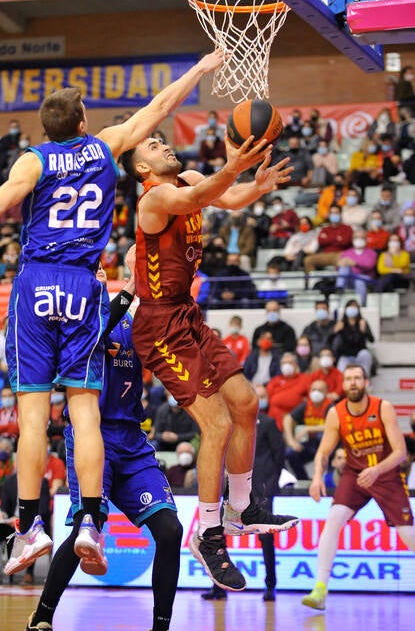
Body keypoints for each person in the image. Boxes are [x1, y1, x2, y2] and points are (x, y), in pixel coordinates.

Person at [0, 51, 226, 576]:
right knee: (84, 409)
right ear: (84, 120)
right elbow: (157, 107)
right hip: (83, 288)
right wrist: (202, 68)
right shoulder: (104, 146)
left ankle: (28, 530)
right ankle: (90, 522)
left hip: (38, 282)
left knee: (31, 416)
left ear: (47, 129)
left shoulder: (34, 159)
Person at [120, 129, 297, 592]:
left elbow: (225, 198)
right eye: (154, 146)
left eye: (163, 140)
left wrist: (254, 187)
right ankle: (208, 533)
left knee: (246, 402)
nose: (164, 144)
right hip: (159, 326)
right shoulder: (153, 201)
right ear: (142, 169)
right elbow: (204, 193)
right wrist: (234, 165)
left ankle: (242, 509)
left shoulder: (192, 179)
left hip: (187, 313)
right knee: (216, 423)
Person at [26, 254, 183, 631]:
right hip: (91, 437)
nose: (95, 273)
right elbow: (100, 325)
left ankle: (160, 626)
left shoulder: (131, 319)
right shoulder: (69, 322)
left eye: (98, 269)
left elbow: (161, 338)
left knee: (171, 531)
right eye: (87, 271)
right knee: (87, 526)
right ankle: (43, 617)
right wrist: (133, 282)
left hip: (131, 437)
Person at [302, 364, 415, 611]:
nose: (353, 382)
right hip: (354, 475)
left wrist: (376, 470)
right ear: (343, 385)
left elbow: (400, 452)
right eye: (349, 379)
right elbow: (324, 451)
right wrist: (317, 477)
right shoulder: (336, 412)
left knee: (408, 534)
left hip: (385, 473)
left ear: (366, 383)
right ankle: (320, 588)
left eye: (358, 378)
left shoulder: (382, 407)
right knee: (333, 521)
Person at [202, 383, 286, 602]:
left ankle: (270, 586)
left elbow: (279, 456)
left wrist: (270, 486)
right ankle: (219, 586)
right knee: (217, 535)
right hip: (232, 487)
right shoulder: (229, 423)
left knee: (266, 540)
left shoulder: (267, 423)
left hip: (260, 489)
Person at [282, 379, 333, 480]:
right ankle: (303, 480)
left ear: (326, 392)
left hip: (327, 445)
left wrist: (308, 428)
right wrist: (291, 441)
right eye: (314, 389)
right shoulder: (306, 405)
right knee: (290, 453)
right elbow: (288, 419)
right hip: (309, 443)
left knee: (321, 435)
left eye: (320, 390)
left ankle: (328, 481)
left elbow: (332, 425)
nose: (316, 393)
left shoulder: (331, 406)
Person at [330, 299, 375, 377]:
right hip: (346, 355)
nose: (352, 309)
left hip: (360, 354)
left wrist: (364, 331)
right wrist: (334, 331)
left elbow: (372, 340)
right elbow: (329, 341)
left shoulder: (362, 322)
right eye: (350, 307)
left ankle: (365, 380)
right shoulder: (341, 323)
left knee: (365, 354)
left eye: (354, 307)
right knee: (341, 369)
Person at [266, 353, 310, 431]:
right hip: (275, 417)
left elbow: (309, 398)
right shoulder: (274, 381)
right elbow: (269, 399)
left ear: (296, 365)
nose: (287, 365)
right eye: (284, 363)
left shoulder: (305, 378)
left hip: (296, 416)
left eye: (290, 363)